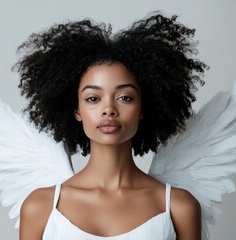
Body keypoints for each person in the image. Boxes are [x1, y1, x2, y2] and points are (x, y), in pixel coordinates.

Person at [15, 13, 207, 240]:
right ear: (76, 110)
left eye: (125, 97)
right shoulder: (40, 207)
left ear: (143, 108)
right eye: (93, 99)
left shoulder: (179, 207)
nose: (109, 110)